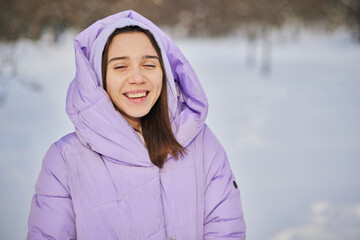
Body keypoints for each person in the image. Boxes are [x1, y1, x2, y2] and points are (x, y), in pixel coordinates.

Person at [27, 10, 246, 239]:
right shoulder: (64, 160)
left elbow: (225, 230)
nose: (137, 78)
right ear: (98, 78)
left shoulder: (201, 144)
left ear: (165, 73)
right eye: (120, 67)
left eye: (149, 65)